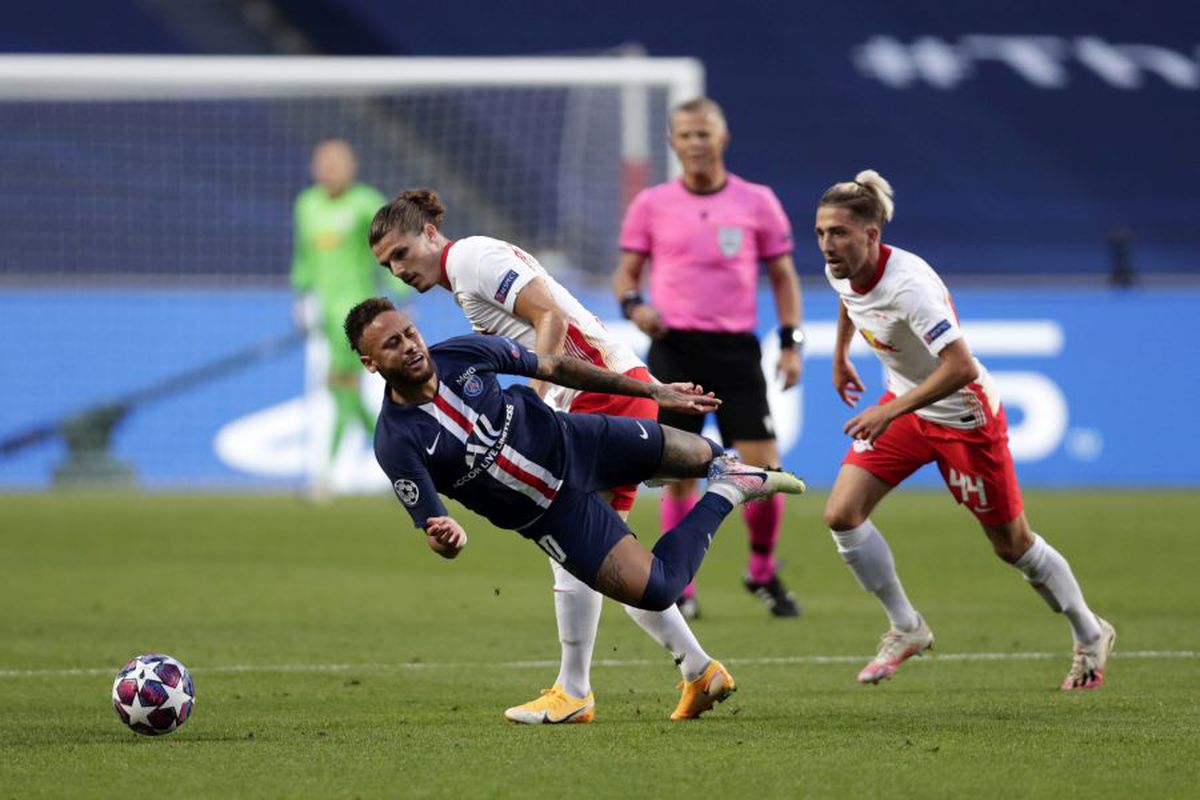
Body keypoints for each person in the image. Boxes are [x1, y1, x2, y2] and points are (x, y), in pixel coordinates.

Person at [367, 190, 743, 724]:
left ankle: (577, 689)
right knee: (604, 555)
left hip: (596, 395)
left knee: (576, 543)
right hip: (607, 388)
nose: (399, 269)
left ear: (430, 232)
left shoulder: (472, 260)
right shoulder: (465, 277)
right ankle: (697, 670)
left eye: (402, 253)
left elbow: (551, 320)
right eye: (388, 265)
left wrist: (541, 404)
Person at [342, 297, 806, 716]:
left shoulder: (462, 353)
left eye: (409, 333)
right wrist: (449, 537)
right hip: (555, 513)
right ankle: (730, 492)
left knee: (703, 453)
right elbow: (436, 529)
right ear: (370, 363)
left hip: (578, 441)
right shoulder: (396, 442)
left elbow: (554, 368)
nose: (409, 346)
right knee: (658, 588)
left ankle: (640, 678)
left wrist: (650, 391)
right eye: (391, 344)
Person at [814, 169, 1115, 690]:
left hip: (962, 415)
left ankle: (1090, 632)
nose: (826, 244)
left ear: (871, 235)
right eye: (820, 232)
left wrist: (889, 410)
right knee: (841, 513)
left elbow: (961, 366)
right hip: (907, 406)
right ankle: (906, 627)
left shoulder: (910, 287)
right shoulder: (839, 267)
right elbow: (849, 298)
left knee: (1011, 544)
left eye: (838, 232)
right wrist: (841, 355)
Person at [612, 97, 804, 620]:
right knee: (679, 471)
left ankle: (761, 571)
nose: (696, 143)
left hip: (736, 350)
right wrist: (636, 308)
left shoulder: (756, 201)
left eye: (705, 133)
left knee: (766, 469)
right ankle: (683, 583)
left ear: (723, 138)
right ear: (673, 143)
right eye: (686, 135)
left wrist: (791, 344)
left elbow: (784, 277)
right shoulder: (651, 204)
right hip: (674, 349)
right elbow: (625, 276)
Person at [290, 138, 410, 496]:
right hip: (325, 312)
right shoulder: (306, 205)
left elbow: (389, 251)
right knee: (342, 387)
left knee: (341, 384)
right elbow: (304, 256)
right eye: (323, 164)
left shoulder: (365, 203)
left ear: (351, 167)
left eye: (336, 163)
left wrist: (401, 297)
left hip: (359, 314)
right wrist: (302, 295)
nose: (329, 171)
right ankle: (400, 462)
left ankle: (326, 476)